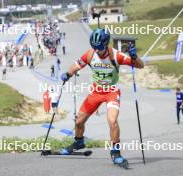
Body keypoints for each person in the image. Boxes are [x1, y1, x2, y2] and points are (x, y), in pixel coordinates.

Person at [60, 28, 144, 167]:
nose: (97, 50)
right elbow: (76, 66)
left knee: (112, 121)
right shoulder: (90, 54)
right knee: (78, 121)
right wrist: (67, 74)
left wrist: (135, 57)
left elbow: (140, 66)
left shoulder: (116, 56)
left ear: (106, 44)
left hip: (111, 92)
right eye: (94, 47)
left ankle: (116, 152)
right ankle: (79, 142)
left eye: (99, 47)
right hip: (96, 92)